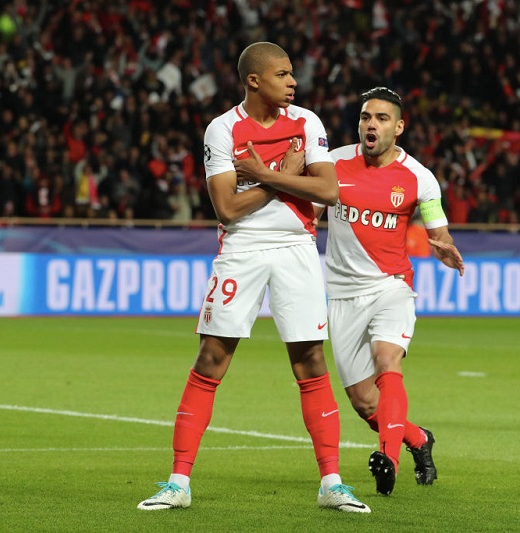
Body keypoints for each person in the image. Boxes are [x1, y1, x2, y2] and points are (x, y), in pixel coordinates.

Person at [137, 42, 370, 513]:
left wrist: (264, 176)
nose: (293, 82)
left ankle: (331, 483)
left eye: (292, 74)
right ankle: (178, 483)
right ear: (254, 80)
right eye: (282, 74)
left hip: (296, 248)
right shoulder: (222, 129)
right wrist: (281, 177)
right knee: (211, 358)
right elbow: (226, 207)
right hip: (241, 250)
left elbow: (328, 190)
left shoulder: (307, 122)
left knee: (310, 361)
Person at [315, 87, 464, 495]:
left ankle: (389, 460)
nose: (371, 124)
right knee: (365, 404)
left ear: (398, 127)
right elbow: (308, 212)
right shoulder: (331, 164)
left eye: (381, 118)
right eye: (366, 117)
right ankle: (418, 438)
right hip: (342, 295)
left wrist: (444, 247)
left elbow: (438, 229)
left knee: (387, 360)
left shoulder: (419, 177)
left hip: (391, 286)